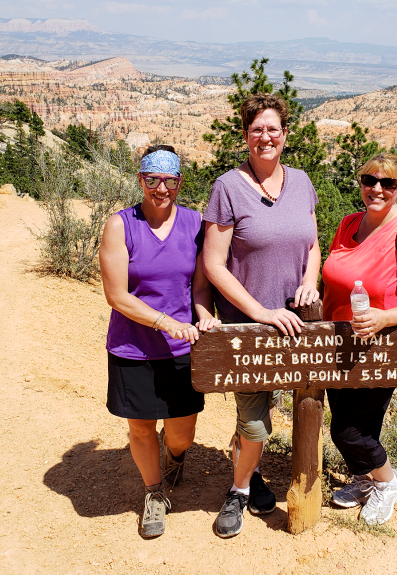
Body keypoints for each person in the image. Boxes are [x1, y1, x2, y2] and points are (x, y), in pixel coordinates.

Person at [203, 93, 321, 538]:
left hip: (296, 324)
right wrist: (260, 312)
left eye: (273, 129)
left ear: (285, 135)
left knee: (289, 407)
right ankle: (238, 489)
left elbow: (312, 244)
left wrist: (311, 280)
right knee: (255, 420)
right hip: (249, 326)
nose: (265, 137)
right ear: (245, 136)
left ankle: (247, 469)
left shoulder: (302, 182)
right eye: (257, 130)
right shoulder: (227, 188)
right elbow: (214, 264)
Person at [99, 145, 219, 539]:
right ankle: (154, 493)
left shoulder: (194, 224)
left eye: (169, 180)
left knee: (182, 432)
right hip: (133, 346)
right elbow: (117, 296)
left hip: (183, 348)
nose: (160, 188)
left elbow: (199, 286)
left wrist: (203, 314)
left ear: (180, 182)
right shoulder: (121, 225)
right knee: (141, 428)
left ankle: (175, 455)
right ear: (140, 180)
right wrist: (165, 322)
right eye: (152, 179)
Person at [321, 152, 397, 526]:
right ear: (360, 182)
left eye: (387, 183)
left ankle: (388, 483)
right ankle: (363, 480)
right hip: (338, 342)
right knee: (355, 423)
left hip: (379, 349)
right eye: (369, 180)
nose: (377, 189)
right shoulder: (349, 223)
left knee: (348, 429)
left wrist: (384, 317)